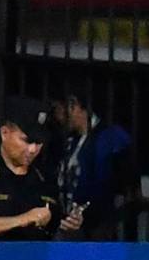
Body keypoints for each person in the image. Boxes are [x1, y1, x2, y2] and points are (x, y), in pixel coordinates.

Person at [0, 99, 83, 240]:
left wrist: (68, 222)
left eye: (38, 142)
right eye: (26, 141)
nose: (33, 149)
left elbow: (55, 221)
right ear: (4, 133)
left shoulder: (44, 179)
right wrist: (21, 220)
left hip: (34, 259)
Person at [57, 93, 134, 239]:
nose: (58, 117)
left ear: (73, 106)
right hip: (73, 222)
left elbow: (125, 181)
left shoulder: (110, 138)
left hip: (97, 224)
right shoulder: (71, 140)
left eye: (59, 110)